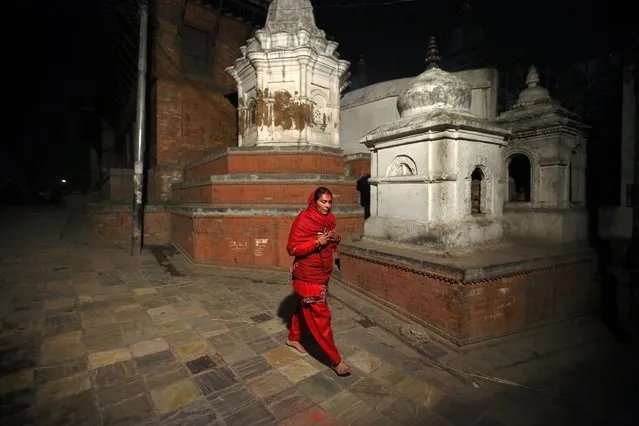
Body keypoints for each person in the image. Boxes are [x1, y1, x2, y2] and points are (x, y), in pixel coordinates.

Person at [285, 187, 351, 376]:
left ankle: (293, 337)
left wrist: (334, 238)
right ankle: (335, 360)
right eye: (323, 202)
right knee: (322, 318)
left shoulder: (329, 219)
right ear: (314, 202)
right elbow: (292, 248)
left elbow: (329, 241)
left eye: (330, 202)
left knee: (303, 306)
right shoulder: (304, 219)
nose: (327, 206)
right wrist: (317, 242)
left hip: (323, 273)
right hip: (308, 276)